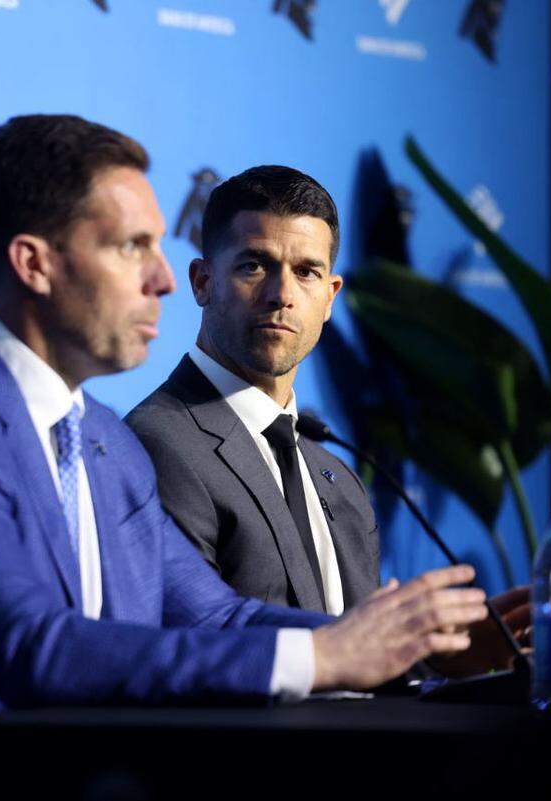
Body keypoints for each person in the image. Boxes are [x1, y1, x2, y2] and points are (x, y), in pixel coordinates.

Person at [0, 118, 487, 800]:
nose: (164, 279)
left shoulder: (107, 442)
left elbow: (218, 620)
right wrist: (322, 657)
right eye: (132, 247)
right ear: (35, 263)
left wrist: (404, 643)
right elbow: (33, 648)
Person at [124, 166, 526, 663]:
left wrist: (443, 657)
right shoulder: (159, 443)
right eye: (254, 266)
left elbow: (359, 660)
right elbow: (196, 648)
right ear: (203, 281)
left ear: (331, 296)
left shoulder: (336, 474)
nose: (282, 294)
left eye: (306, 272)